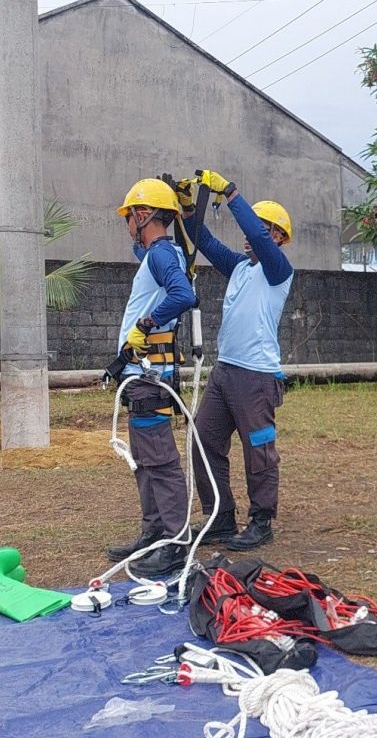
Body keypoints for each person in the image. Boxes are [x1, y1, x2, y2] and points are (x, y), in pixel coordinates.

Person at [182, 169, 294, 551]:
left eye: (264, 229)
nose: (253, 234)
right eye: (255, 227)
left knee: (258, 448)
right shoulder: (240, 269)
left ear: (277, 236)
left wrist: (230, 192)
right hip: (225, 371)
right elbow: (205, 241)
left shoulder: (278, 270)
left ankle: (262, 521)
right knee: (203, 441)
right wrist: (186, 210)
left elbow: (259, 239)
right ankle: (220, 517)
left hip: (257, 376)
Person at [105, 178, 199, 578]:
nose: (127, 224)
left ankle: (176, 542)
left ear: (143, 216)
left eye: (130, 216)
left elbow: (183, 295)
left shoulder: (162, 254)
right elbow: (144, 251)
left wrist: (145, 324)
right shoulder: (158, 252)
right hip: (139, 373)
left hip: (149, 375)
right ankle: (154, 532)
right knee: (144, 460)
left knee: (159, 461)